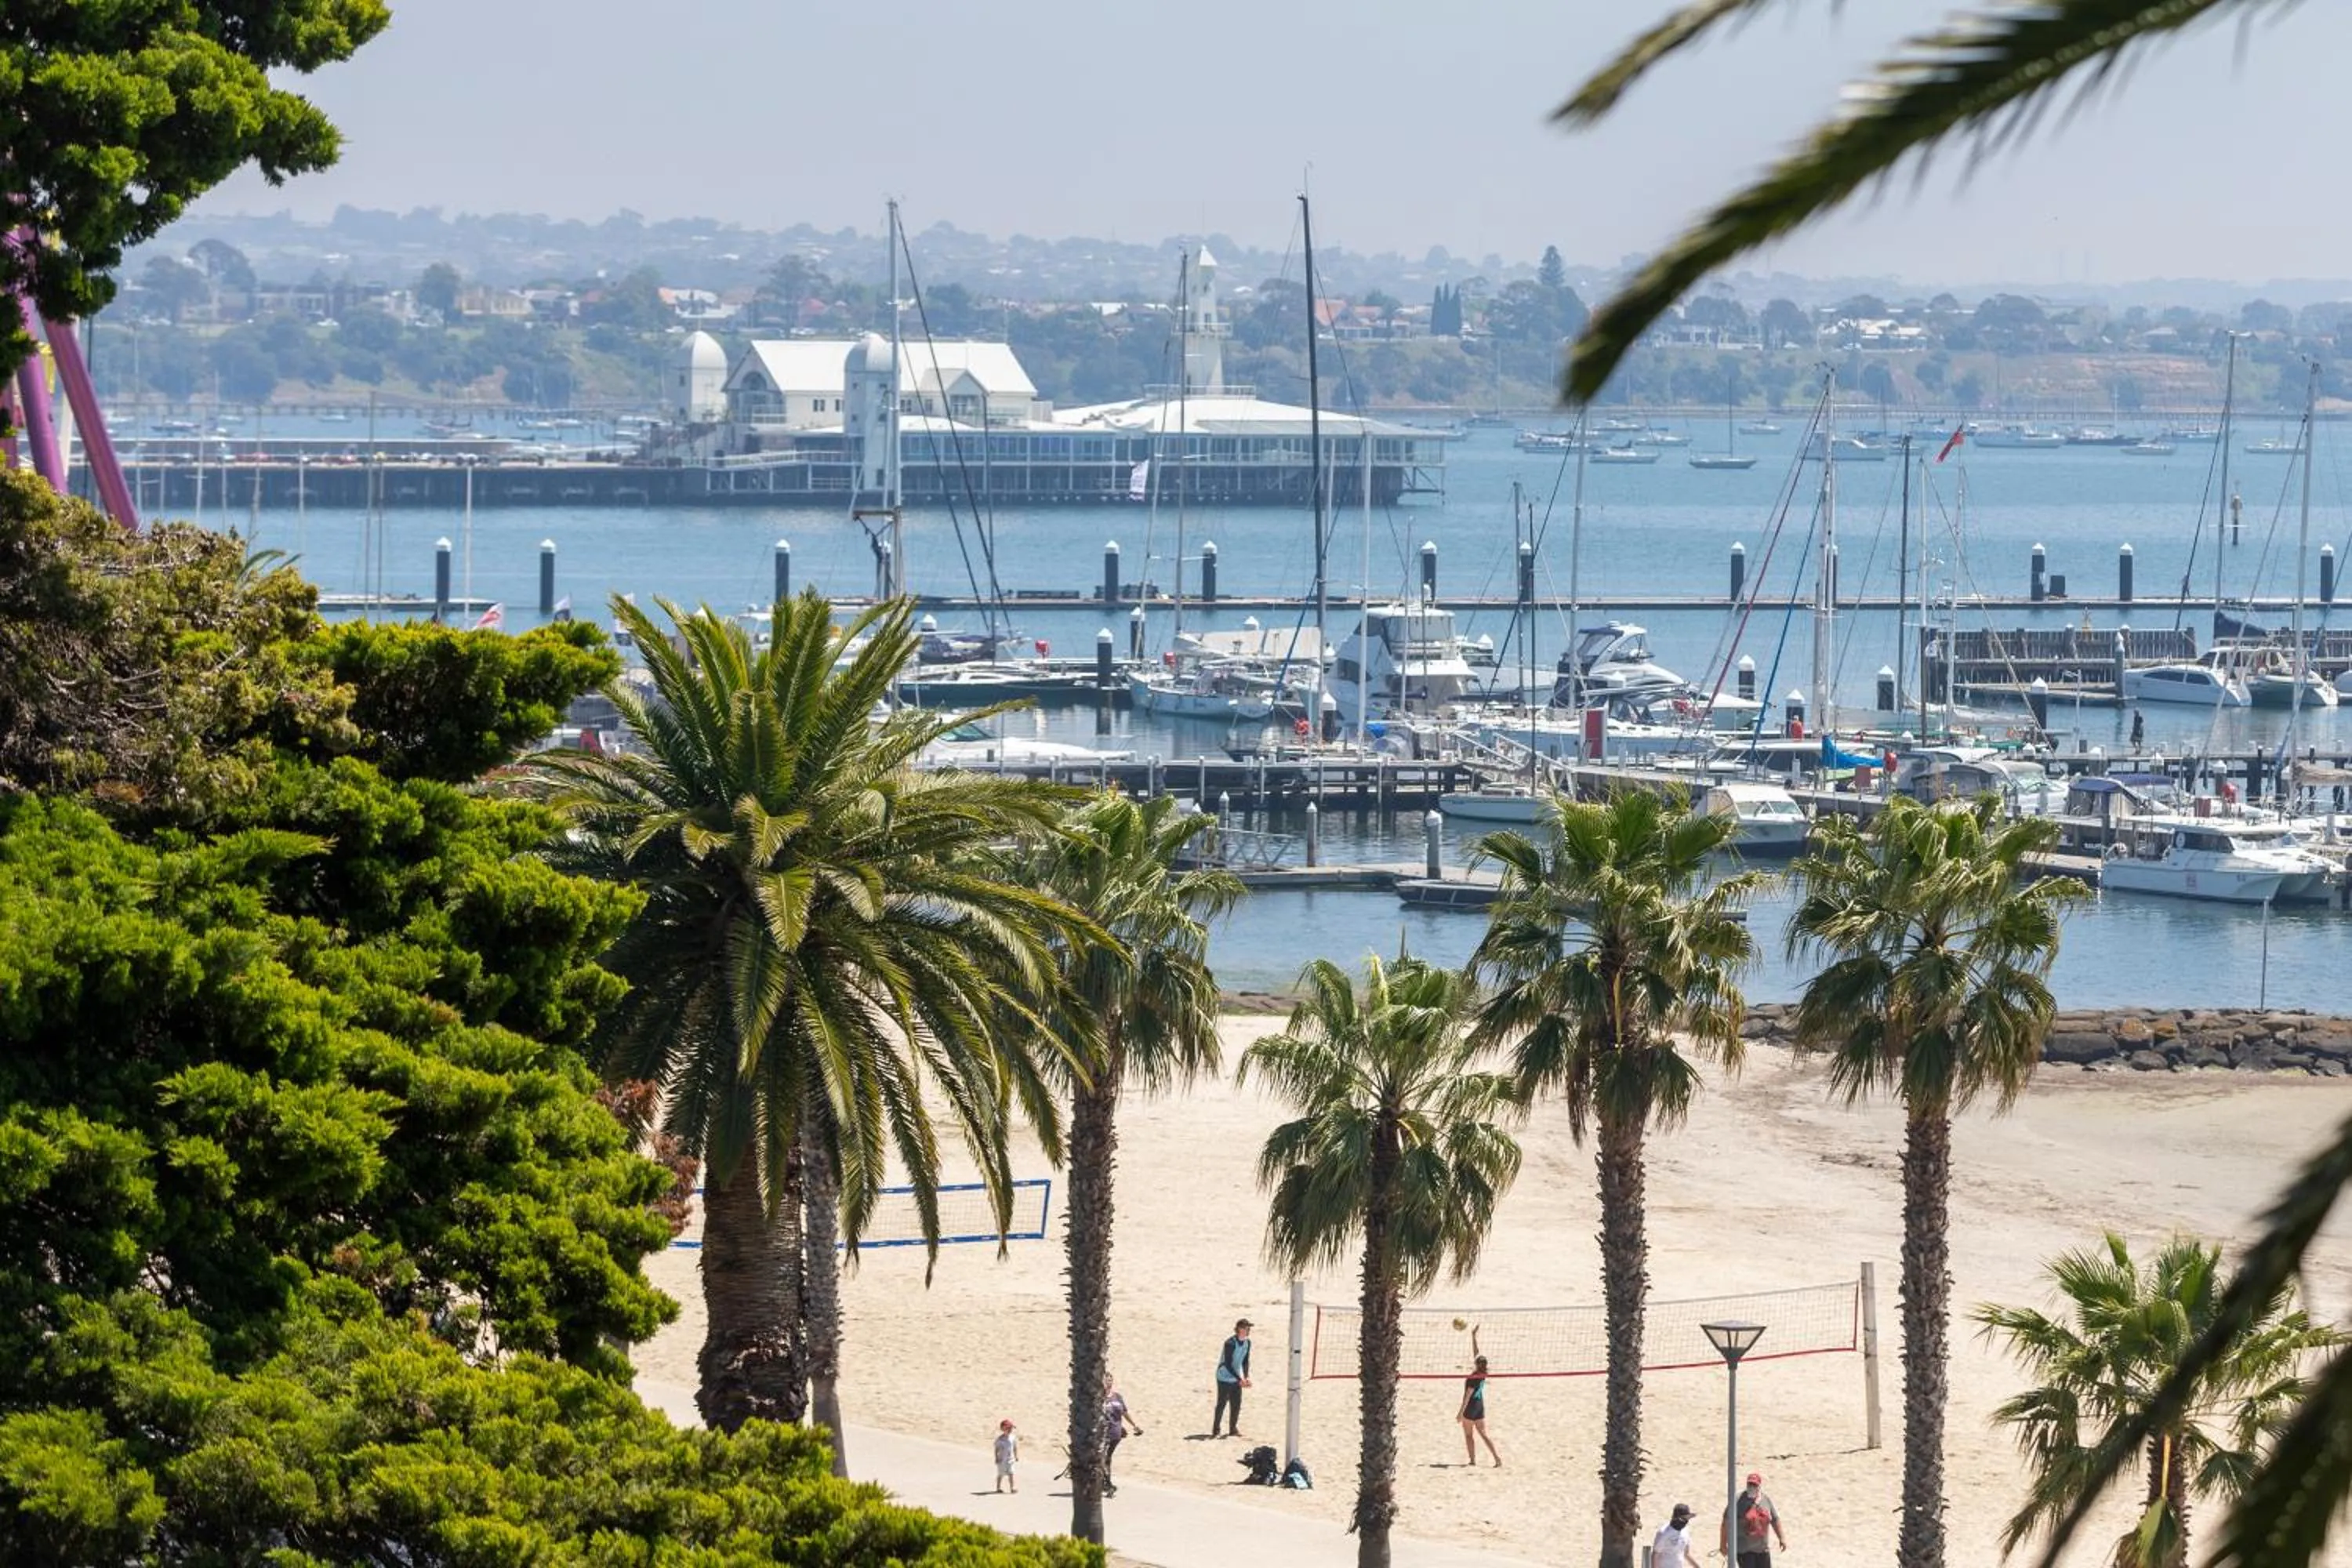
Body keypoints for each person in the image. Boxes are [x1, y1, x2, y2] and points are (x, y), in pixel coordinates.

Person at [1722, 1471, 1788, 1568]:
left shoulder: (1765, 1500)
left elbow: (1775, 1520)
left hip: (1762, 1550)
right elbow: (1726, 1523)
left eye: (1754, 1485)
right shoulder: (1737, 1500)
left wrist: (1782, 1538)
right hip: (1744, 1551)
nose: (1752, 1487)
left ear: (1759, 1486)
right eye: (1750, 1484)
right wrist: (1723, 1544)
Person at [1457, 1326, 1501, 1466]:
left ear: (1476, 1364)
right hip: (1480, 1407)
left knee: (1469, 1435)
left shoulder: (1472, 1378)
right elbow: (1477, 1353)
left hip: (1470, 1408)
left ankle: (1472, 1461)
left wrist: (1460, 1413)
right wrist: (1473, 1336)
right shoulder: (1484, 1373)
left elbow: (1467, 1397)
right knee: (1484, 1434)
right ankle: (1497, 1458)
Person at [1211, 1317, 1253, 1437]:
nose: (1248, 1330)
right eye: (1246, 1328)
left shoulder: (1247, 1343)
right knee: (1222, 1403)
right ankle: (1216, 1429)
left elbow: (1245, 1361)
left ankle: (1233, 1429)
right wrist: (1240, 1379)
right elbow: (1228, 1364)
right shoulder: (1230, 1343)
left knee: (1236, 1404)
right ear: (1239, 1329)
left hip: (1237, 1376)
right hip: (1224, 1376)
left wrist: (1245, 1377)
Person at [1102, 1379, 1143, 1497]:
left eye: (1110, 1380)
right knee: (1103, 1457)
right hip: (1102, 1434)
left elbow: (1124, 1413)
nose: (1108, 1383)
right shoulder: (1097, 1398)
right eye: (1105, 1380)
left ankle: (1105, 1482)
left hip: (1116, 1433)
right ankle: (1108, 1485)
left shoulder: (1117, 1397)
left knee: (1107, 1458)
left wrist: (1135, 1425)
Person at [1653, 1503, 1700, 1568]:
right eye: (1683, 1518)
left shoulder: (1685, 1531)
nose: (1685, 1521)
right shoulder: (1664, 1532)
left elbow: (1686, 1553)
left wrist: (1697, 1566)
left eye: (1687, 1518)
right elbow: (1656, 1554)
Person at [993, 1418, 1020, 1494]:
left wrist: (1016, 1455)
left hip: (1010, 1459)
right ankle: (998, 1487)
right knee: (1000, 1474)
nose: (1010, 1430)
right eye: (1008, 1428)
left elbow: (1015, 1447)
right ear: (1003, 1429)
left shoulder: (1013, 1437)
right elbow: (996, 1449)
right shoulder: (1000, 1439)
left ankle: (1012, 1488)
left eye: (1011, 1428)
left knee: (1011, 1473)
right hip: (1002, 1460)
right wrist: (996, 1457)